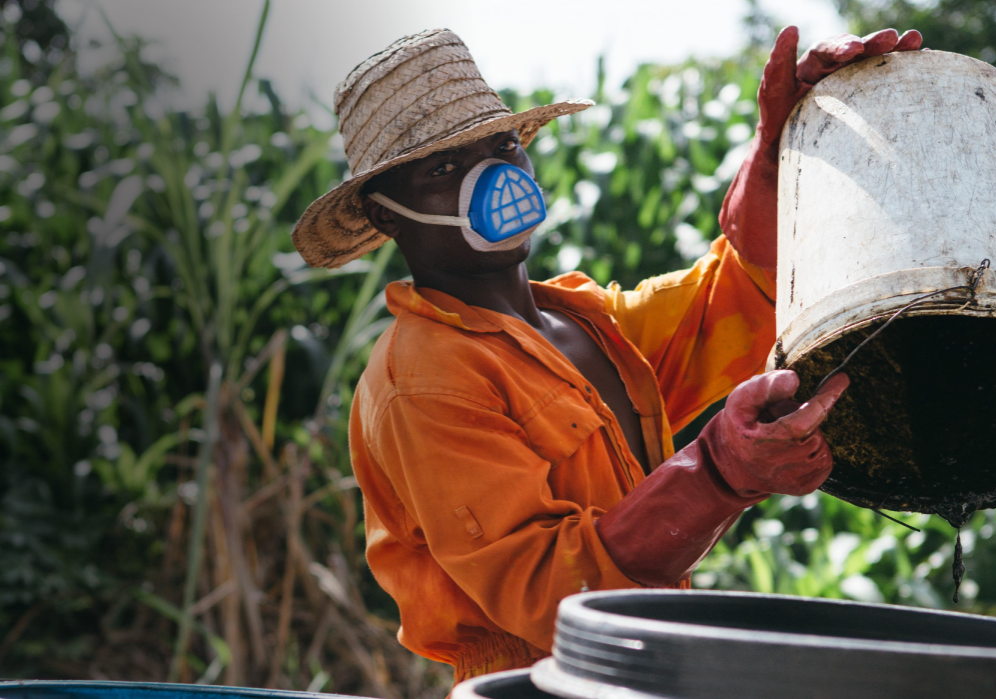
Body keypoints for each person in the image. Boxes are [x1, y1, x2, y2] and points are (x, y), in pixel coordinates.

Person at [291, 26, 921, 683]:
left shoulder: (585, 323)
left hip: (642, 671)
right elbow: (548, 594)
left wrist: (776, 152)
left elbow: (730, 297)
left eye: (502, 146)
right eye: (443, 169)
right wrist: (719, 474)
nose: (493, 178)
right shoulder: (422, 376)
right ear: (385, 214)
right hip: (533, 685)